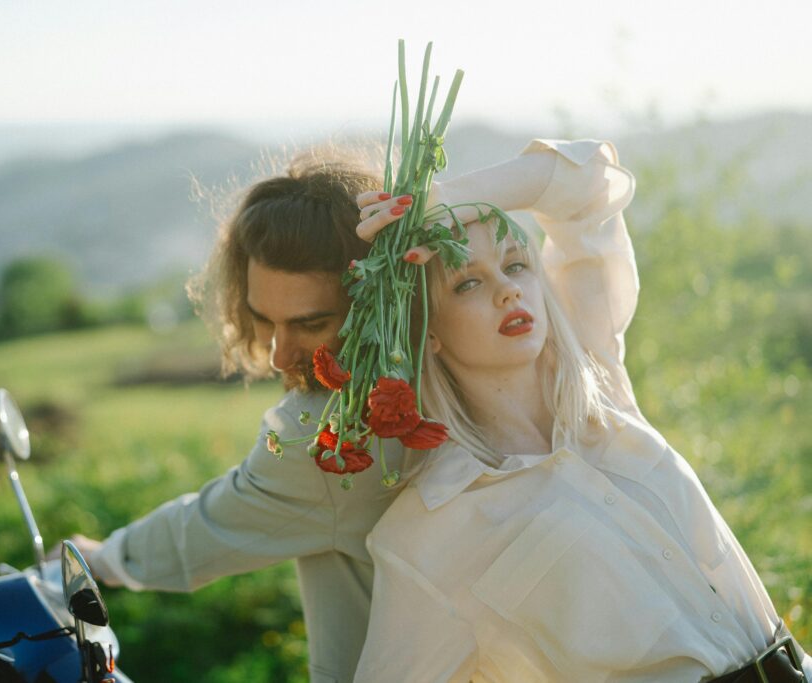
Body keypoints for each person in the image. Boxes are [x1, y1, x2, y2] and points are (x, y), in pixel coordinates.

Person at [350, 139, 812, 682]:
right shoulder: (427, 536)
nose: (507, 292)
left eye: (516, 264)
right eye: (468, 282)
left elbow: (591, 181)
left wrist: (442, 199)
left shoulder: (603, 395)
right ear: (426, 332)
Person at [63, 150, 414, 683]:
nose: (278, 355)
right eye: (263, 320)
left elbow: (203, 530)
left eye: (311, 323)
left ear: (377, 300)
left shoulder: (332, 436)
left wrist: (102, 560)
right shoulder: (455, 368)